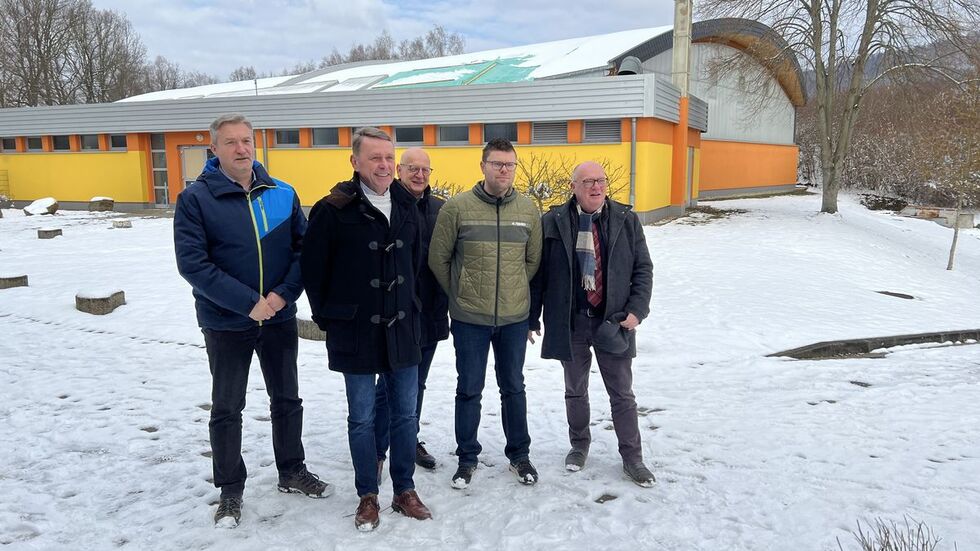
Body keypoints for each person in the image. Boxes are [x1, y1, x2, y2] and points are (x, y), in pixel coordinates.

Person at [174, 113, 330, 528]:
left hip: (278, 317)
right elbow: (193, 263)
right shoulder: (196, 199)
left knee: (287, 398)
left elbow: (304, 252)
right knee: (228, 406)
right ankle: (230, 489)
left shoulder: (282, 192)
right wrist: (248, 303)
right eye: (231, 142)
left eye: (246, 141)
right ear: (214, 149)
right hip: (226, 321)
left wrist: (281, 295)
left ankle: (291, 470)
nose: (241, 149)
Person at [301, 127, 431, 531]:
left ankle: (404, 490)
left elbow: (416, 267)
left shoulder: (409, 206)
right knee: (361, 418)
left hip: (403, 329)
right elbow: (313, 271)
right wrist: (330, 319)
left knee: (406, 416)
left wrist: (413, 309)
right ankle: (367, 495)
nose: (384, 165)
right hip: (355, 331)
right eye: (375, 158)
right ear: (355, 162)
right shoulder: (332, 209)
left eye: (389, 158)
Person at [528, 161, 656, 487]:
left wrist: (637, 310)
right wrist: (532, 318)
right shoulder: (553, 222)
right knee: (575, 390)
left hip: (614, 322)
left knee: (622, 394)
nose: (596, 187)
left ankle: (632, 457)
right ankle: (579, 445)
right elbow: (539, 276)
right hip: (571, 323)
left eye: (600, 180)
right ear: (574, 187)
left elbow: (643, 268)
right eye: (587, 182)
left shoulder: (626, 220)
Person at [428, 137, 542, 489]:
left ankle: (519, 455)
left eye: (509, 164)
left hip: (513, 319)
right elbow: (438, 259)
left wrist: (513, 293)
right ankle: (466, 458)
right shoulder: (457, 208)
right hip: (469, 320)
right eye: (497, 164)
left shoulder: (528, 210)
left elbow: (532, 261)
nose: (504, 170)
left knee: (513, 387)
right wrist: (462, 294)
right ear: (483, 166)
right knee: (469, 389)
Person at [375, 148, 449, 473]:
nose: (419, 175)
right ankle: (377, 449)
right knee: (387, 386)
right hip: (394, 315)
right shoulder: (385, 206)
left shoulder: (441, 210)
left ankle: (408, 439)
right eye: (412, 169)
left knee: (417, 382)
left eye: (425, 170)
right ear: (399, 171)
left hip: (429, 312)